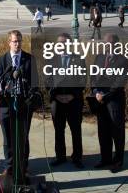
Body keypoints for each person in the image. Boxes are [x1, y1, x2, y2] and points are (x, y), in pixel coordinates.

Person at [0, 30, 39, 177]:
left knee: (23, 137)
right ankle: (9, 166)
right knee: (8, 138)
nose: (18, 44)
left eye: (20, 41)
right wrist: (3, 87)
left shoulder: (29, 59)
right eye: (15, 41)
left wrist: (30, 98)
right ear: (9, 42)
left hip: (24, 105)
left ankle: (23, 166)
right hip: (6, 105)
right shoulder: (2, 59)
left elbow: (35, 83)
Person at [91, 33, 128, 172]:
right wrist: (95, 91)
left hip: (115, 102)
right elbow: (93, 76)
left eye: (112, 43)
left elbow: (119, 82)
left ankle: (118, 162)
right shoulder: (99, 57)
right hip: (100, 101)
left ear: (117, 44)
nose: (109, 45)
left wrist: (104, 95)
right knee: (103, 132)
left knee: (117, 133)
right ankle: (105, 159)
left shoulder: (123, 61)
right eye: (107, 43)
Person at [47, 33, 85, 168]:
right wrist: (56, 95)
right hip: (57, 102)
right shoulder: (51, 59)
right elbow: (48, 81)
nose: (61, 45)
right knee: (59, 130)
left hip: (74, 102)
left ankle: (77, 157)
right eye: (59, 43)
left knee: (76, 130)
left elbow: (82, 81)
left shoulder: (79, 59)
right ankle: (60, 156)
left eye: (64, 43)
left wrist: (72, 96)